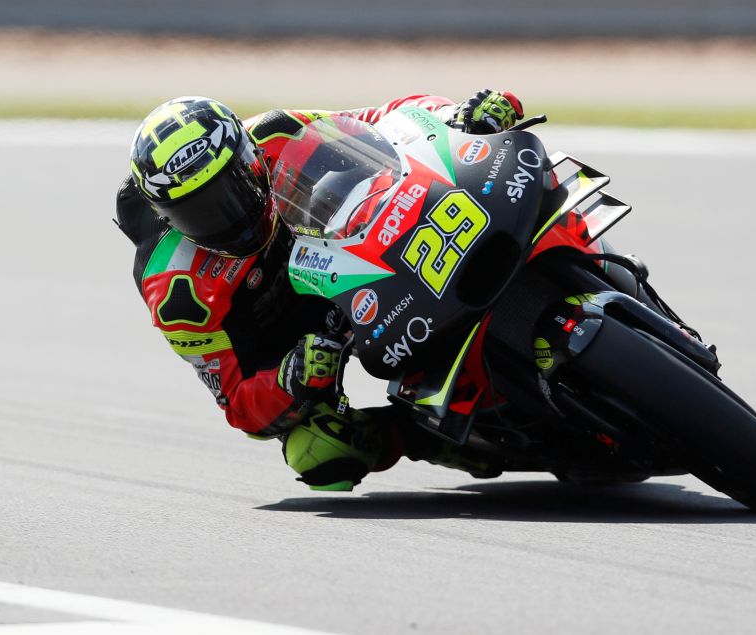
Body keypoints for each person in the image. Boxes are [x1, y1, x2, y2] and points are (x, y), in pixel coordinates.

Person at [115, 90, 524, 491]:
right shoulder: (177, 290)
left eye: (234, 187)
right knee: (318, 448)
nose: (230, 217)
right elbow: (238, 404)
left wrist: (456, 116)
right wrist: (289, 378)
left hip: (346, 259)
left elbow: (387, 122)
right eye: (199, 212)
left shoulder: (275, 133)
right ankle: (425, 437)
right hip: (296, 336)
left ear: (250, 157)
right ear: (165, 216)